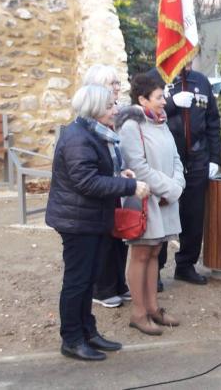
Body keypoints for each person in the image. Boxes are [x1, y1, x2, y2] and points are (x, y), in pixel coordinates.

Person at [46, 84, 150, 361]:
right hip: (77, 221)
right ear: (94, 109)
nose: (115, 110)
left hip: (92, 218)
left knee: (88, 278)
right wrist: (129, 187)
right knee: (77, 282)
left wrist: (120, 173)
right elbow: (86, 181)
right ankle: (72, 339)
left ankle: (88, 332)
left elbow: (97, 171)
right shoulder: (78, 138)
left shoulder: (93, 132)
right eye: (109, 106)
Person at [117, 74, 186, 336]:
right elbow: (137, 167)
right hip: (146, 199)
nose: (164, 101)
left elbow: (176, 157)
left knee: (156, 251)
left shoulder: (160, 121)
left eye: (164, 95)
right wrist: (170, 188)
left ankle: (154, 308)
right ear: (142, 99)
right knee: (141, 254)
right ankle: (138, 312)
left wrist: (177, 185)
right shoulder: (131, 125)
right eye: (159, 97)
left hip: (166, 199)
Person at [146, 64, 221, 287]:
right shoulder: (152, 79)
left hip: (197, 157)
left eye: (190, 55)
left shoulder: (200, 80)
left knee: (193, 215)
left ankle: (186, 265)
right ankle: (155, 270)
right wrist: (170, 104)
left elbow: (212, 121)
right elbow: (142, 117)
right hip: (165, 159)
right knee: (160, 214)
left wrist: (215, 158)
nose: (186, 61)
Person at [83, 65, 130, 309]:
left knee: (118, 237)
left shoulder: (114, 113)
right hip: (99, 190)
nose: (116, 88)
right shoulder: (90, 121)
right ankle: (102, 288)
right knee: (103, 240)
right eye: (110, 83)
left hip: (114, 184)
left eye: (116, 83)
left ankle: (118, 282)